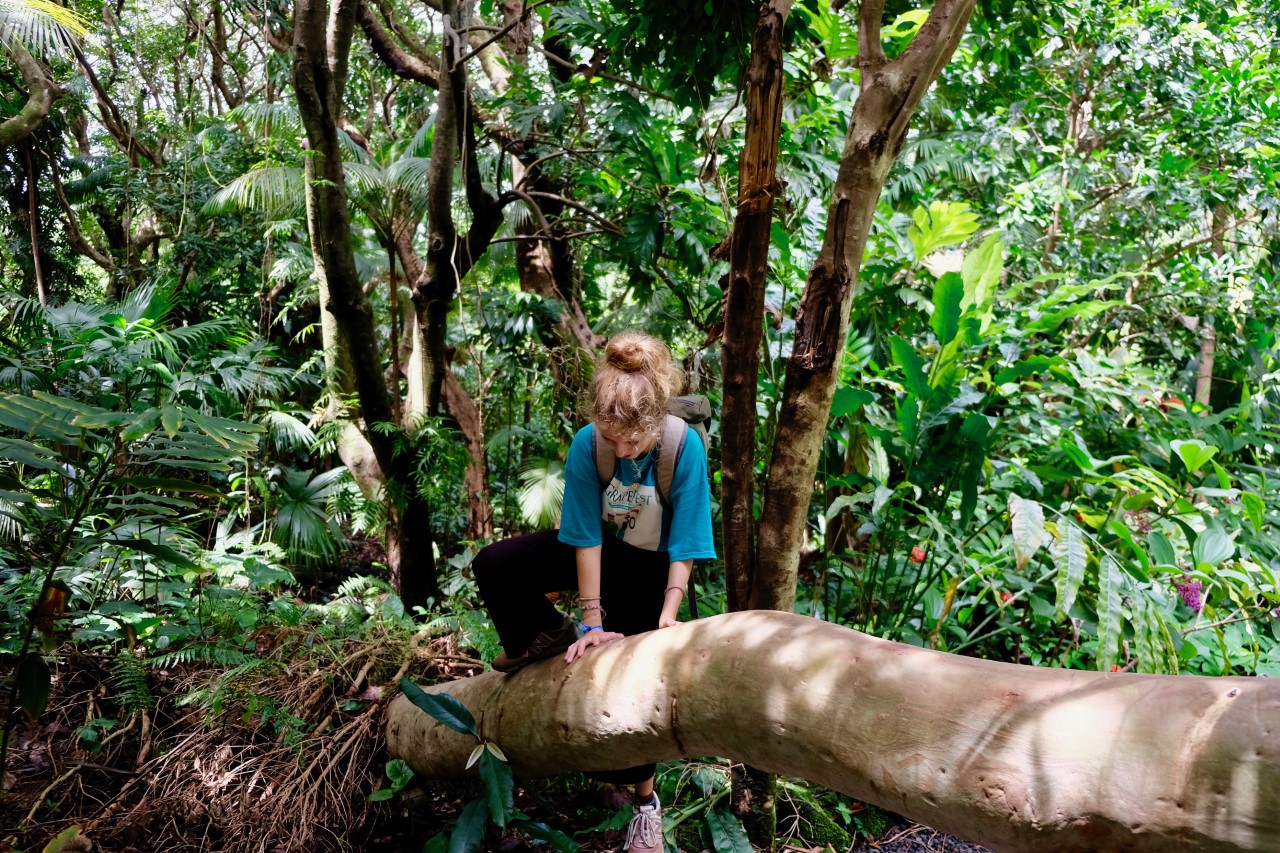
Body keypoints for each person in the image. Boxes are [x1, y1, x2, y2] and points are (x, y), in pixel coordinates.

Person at [472, 330, 716, 853]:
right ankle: (546, 635)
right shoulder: (590, 444)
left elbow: (687, 543)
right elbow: (583, 537)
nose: (623, 449)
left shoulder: (681, 447)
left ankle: (645, 802)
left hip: (651, 570)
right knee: (495, 565)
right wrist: (591, 623)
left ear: (655, 423)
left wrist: (668, 616)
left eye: (633, 441)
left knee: (628, 683)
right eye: (612, 439)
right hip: (601, 556)